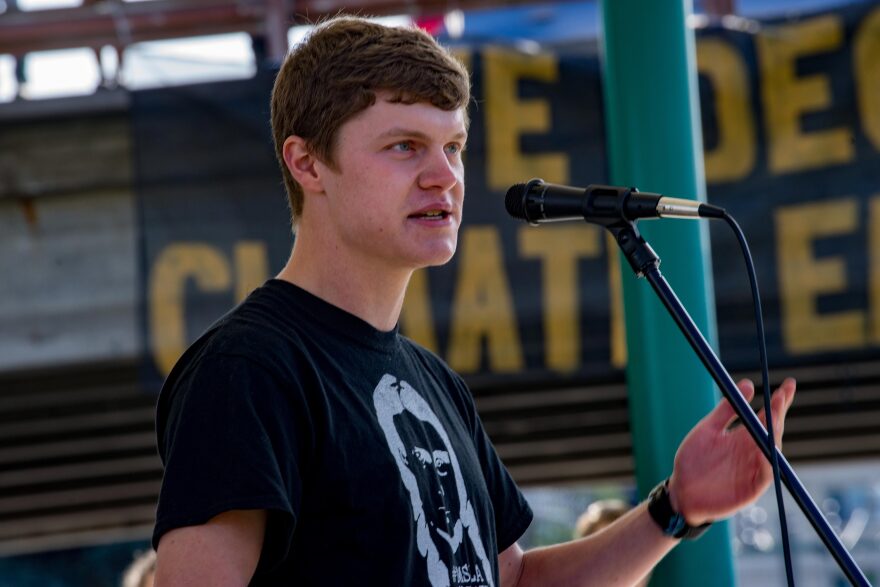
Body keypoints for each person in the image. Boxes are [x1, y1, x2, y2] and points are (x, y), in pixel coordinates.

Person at [151, 15, 797, 586]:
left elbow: (510, 579)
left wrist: (675, 507)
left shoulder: (435, 383)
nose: (445, 175)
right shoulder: (248, 370)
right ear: (308, 164)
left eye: (453, 146)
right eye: (405, 146)